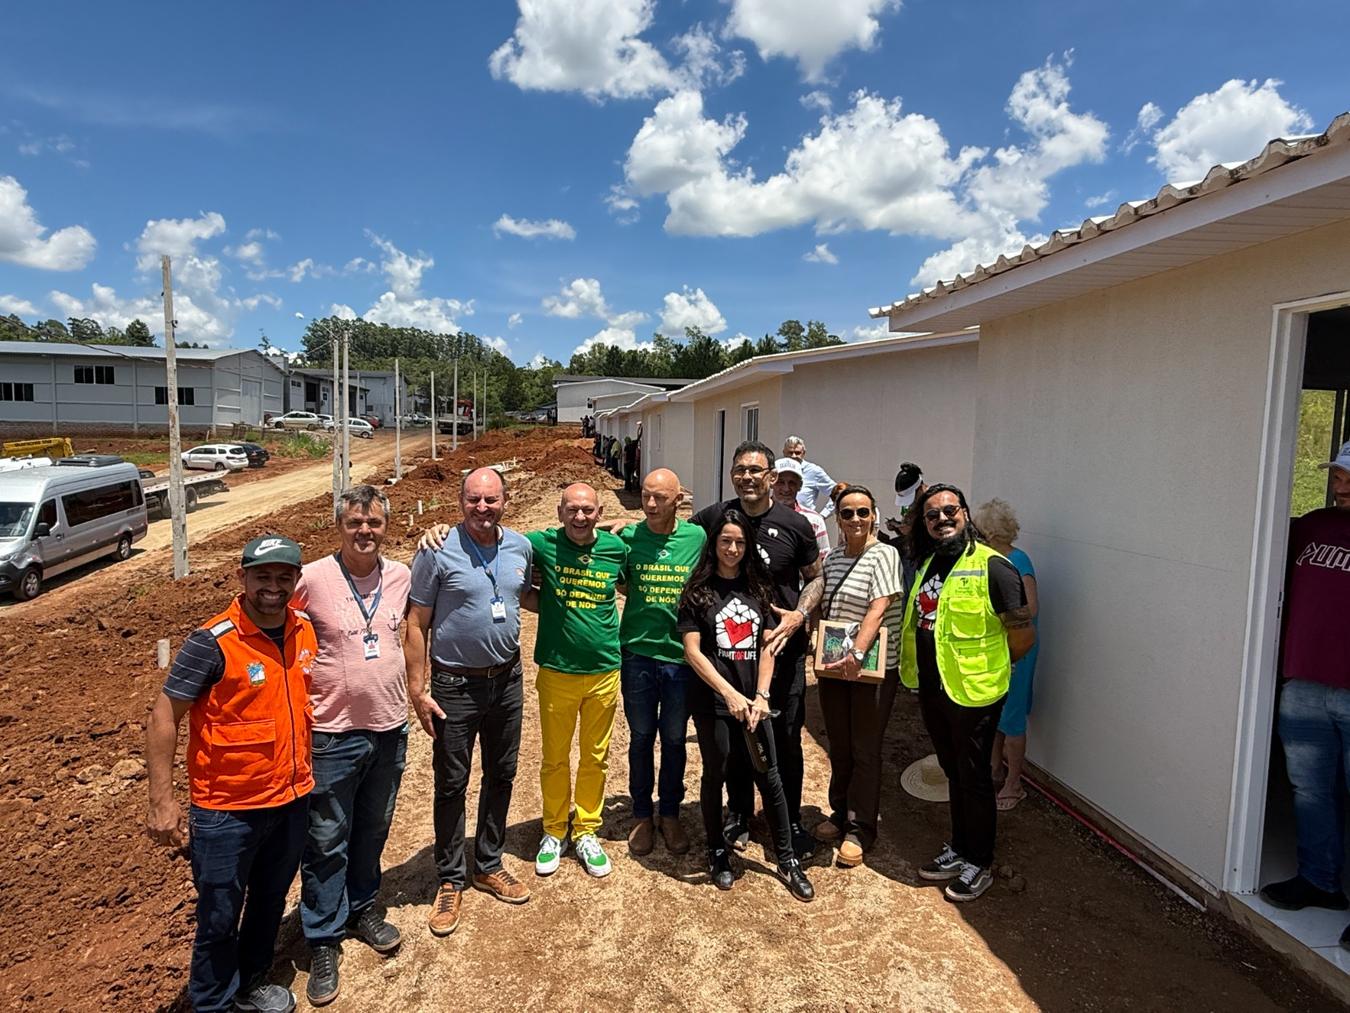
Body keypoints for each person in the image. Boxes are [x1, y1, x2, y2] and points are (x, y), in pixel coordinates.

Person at [144, 535, 315, 1013]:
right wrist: (163, 799)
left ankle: (252, 981)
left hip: (290, 796)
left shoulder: (303, 630)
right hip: (226, 811)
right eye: (263, 576)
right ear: (242, 578)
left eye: (285, 577)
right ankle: (212, 1003)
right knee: (218, 917)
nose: (274, 587)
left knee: (269, 899)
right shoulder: (213, 642)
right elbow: (163, 716)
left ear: (296, 581)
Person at [292, 487, 411, 1006]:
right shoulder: (312, 579)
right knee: (324, 837)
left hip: (389, 727)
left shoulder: (401, 575)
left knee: (373, 826)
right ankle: (322, 935)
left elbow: (412, 632)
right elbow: (275, 625)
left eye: (375, 523)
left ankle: (363, 906)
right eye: (355, 522)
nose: (365, 531)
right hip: (331, 734)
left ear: (388, 526)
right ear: (339, 526)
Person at [405, 468, 536, 940]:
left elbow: (538, 588)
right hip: (455, 686)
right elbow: (416, 624)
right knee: (451, 782)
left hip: (507, 680)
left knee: (502, 774)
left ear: (506, 500)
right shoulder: (437, 549)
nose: (483, 508)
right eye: (474, 499)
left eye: (492, 499)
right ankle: (449, 877)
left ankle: (488, 863)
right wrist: (418, 690)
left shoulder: (521, 546)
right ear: (460, 501)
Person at [901, 485, 1035, 902]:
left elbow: (1023, 635)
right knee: (953, 770)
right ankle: (959, 849)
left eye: (949, 510)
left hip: (975, 692)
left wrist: (994, 668)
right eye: (932, 515)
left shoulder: (994, 567)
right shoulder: (928, 563)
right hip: (934, 687)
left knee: (975, 777)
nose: (942, 519)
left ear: (965, 514)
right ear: (924, 524)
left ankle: (980, 860)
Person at [691, 441, 823, 859]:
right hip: (732, 657)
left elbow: (816, 577)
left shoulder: (795, 524)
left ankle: (790, 820)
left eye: (756, 470)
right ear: (732, 474)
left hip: (784, 651)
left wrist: (799, 614)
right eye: (740, 469)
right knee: (734, 740)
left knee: (785, 737)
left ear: (771, 477)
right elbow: (674, 540)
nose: (747, 477)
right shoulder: (715, 517)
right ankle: (740, 814)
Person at [678, 510, 814, 901]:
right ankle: (717, 850)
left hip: (755, 702)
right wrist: (730, 695)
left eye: (739, 542)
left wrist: (761, 696)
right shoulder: (697, 593)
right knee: (716, 772)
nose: (732, 549)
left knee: (768, 776)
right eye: (725, 541)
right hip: (714, 703)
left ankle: (787, 859)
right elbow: (693, 652)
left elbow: (768, 646)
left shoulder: (759, 590)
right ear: (714, 545)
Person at [1262, 441, 1350, 944]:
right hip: (1305, 683)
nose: (1340, 484)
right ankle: (1320, 881)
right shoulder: (1309, 528)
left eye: (1349, 477)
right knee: (1310, 789)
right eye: (1337, 474)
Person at [529, 483, 628, 878]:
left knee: (595, 757)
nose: (580, 517)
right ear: (559, 512)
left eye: (588, 510)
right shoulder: (541, 543)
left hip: (604, 669)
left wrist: (629, 522)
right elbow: (491, 535)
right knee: (554, 758)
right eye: (572, 510)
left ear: (600, 513)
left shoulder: (616, 549)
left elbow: (649, 540)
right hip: (556, 670)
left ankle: (587, 829)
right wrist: (441, 532)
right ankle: (554, 830)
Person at [812, 486, 905, 867]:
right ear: (837, 518)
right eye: (847, 513)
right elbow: (826, 605)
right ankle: (840, 811)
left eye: (862, 513)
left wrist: (856, 652)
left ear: (874, 516)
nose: (855, 520)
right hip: (835, 667)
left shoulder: (884, 554)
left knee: (865, 747)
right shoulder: (833, 559)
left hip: (871, 669)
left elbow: (879, 607)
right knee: (840, 742)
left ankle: (861, 827)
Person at [617, 468, 707, 857]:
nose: (650, 505)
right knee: (640, 738)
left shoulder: (697, 537)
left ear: (678, 501)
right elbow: (620, 581)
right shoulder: (627, 538)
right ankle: (641, 813)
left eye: (660, 498)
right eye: (645, 496)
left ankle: (669, 813)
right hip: (637, 652)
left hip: (679, 658)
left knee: (673, 739)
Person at [972, 498, 1040, 813]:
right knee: (997, 711)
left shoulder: (1018, 561)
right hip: (998, 646)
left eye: (982, 532)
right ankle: (994, 769)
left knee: (1012, 717)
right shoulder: (991, 559)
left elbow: (1031, 609)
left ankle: (1015, 783)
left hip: (1018, 649)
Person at [773, 457, 830, 559]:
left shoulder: (815, 520)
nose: (786, 489)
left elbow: (823, 559)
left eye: (792, 483)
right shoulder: (759, 514)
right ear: (771, 483)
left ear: (800, 486)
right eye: (780, 482)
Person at [783, 435, 836, 518]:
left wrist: (823, 515)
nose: (793, 456)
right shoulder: (776, 469)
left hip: (804, 522)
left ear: (803, 453)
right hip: (779, 520)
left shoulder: (814, 471)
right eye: (790, 452)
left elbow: (837, 493)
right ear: (784, 453)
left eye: (797, 453)